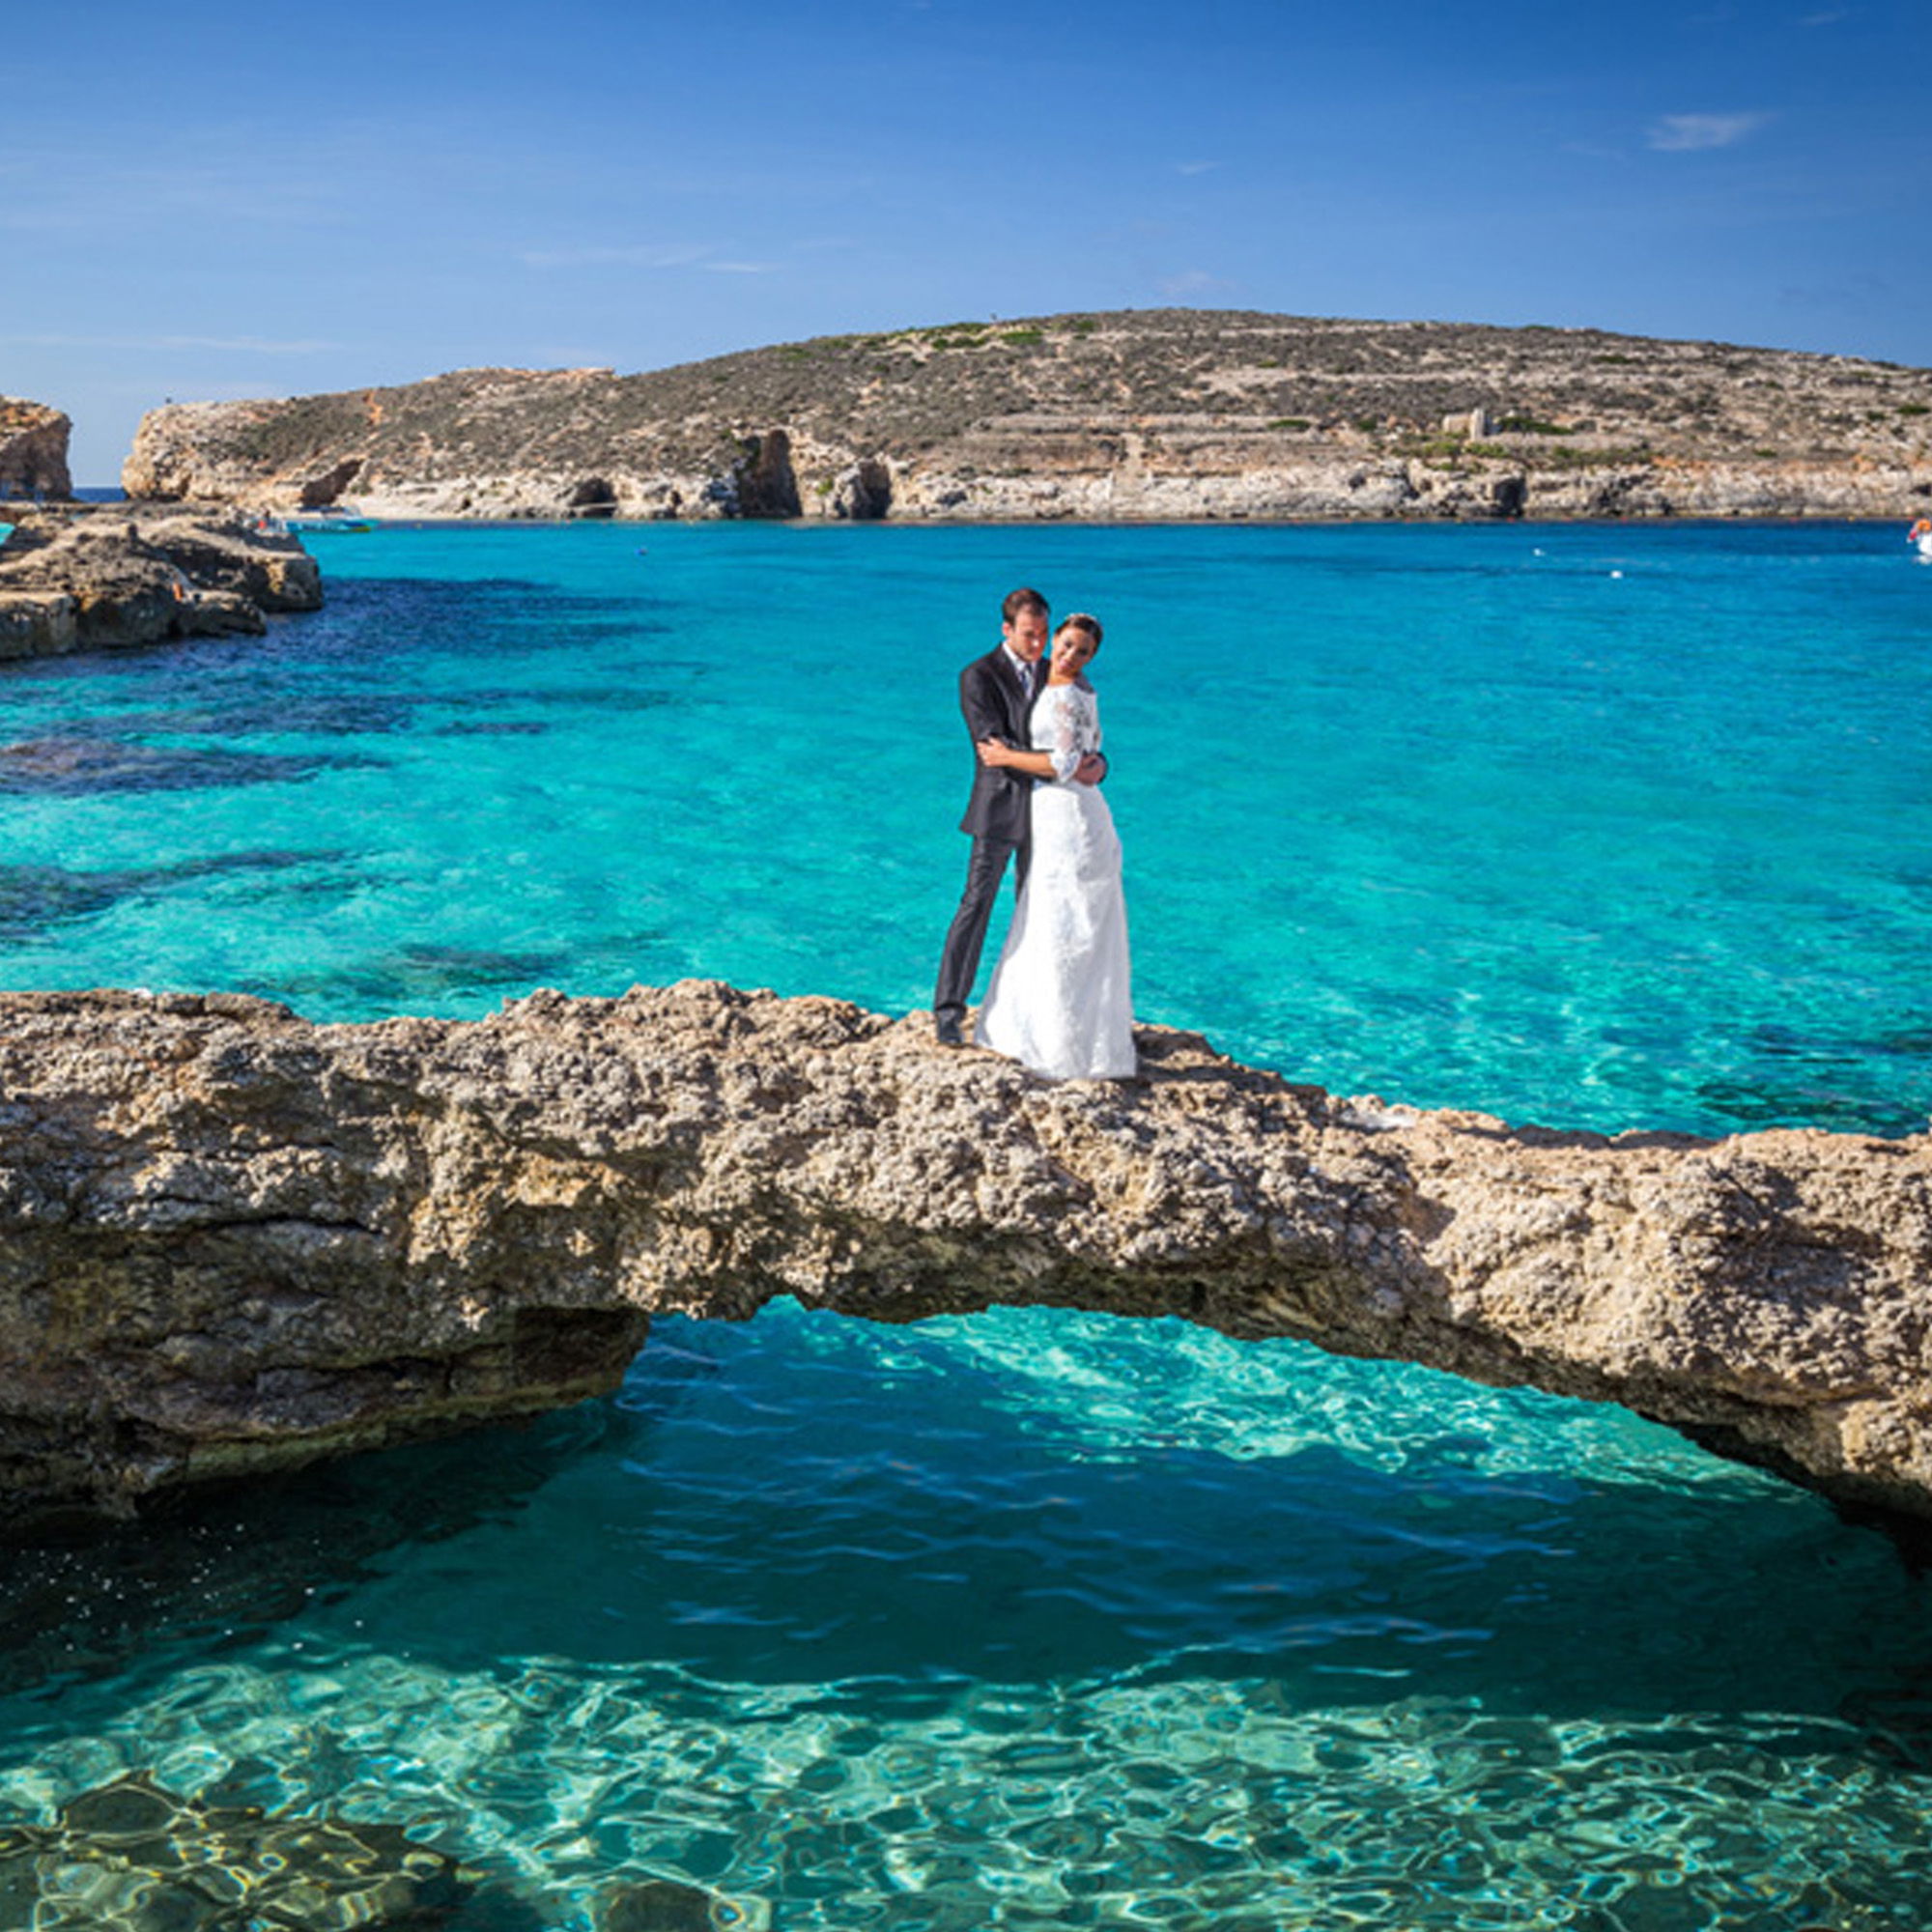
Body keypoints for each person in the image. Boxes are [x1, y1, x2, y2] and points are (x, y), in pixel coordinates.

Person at [932, 588, 1102, 1046]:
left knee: (1043, 908)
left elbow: (1083, 733)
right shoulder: (978, 675)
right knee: (976, 905)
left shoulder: (1056, 671)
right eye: (1029, 634)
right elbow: (993, 747)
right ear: (1006, 629)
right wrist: (1062, 764)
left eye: (1045, 634)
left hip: (1052, 811)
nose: (1039, 644)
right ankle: (948, 1011)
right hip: (999, 808)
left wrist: (1097, 765)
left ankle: (1038, 1014)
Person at [974, 612, 1137, 1080]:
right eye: (1065, 645)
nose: (1069, 656)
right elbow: (1090, 752)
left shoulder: (1067, 693)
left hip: (1068, 816)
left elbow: (1066, 762)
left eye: (1082, 651)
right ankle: (1069, 1037)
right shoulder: (1077, 688)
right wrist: (1095, 765)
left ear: (1092, 656)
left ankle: (1056, 1044)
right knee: (1061, 919)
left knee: (1062, 920)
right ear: (1054, 640)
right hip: (1071, 812)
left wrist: (1005, 756)